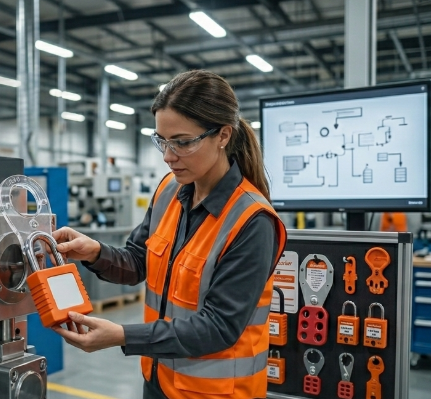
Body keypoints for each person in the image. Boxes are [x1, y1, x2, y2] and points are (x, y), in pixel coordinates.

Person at [51, 70, 287, 399]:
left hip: (216, 393)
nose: (168, 156)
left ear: (222, 135)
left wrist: (122, 335)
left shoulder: (252, 221)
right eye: (162, 140)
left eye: (182, 142)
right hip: (160, 382)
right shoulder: (168, 192)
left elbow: (219, 327)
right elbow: (138, 262)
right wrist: (93, 252)